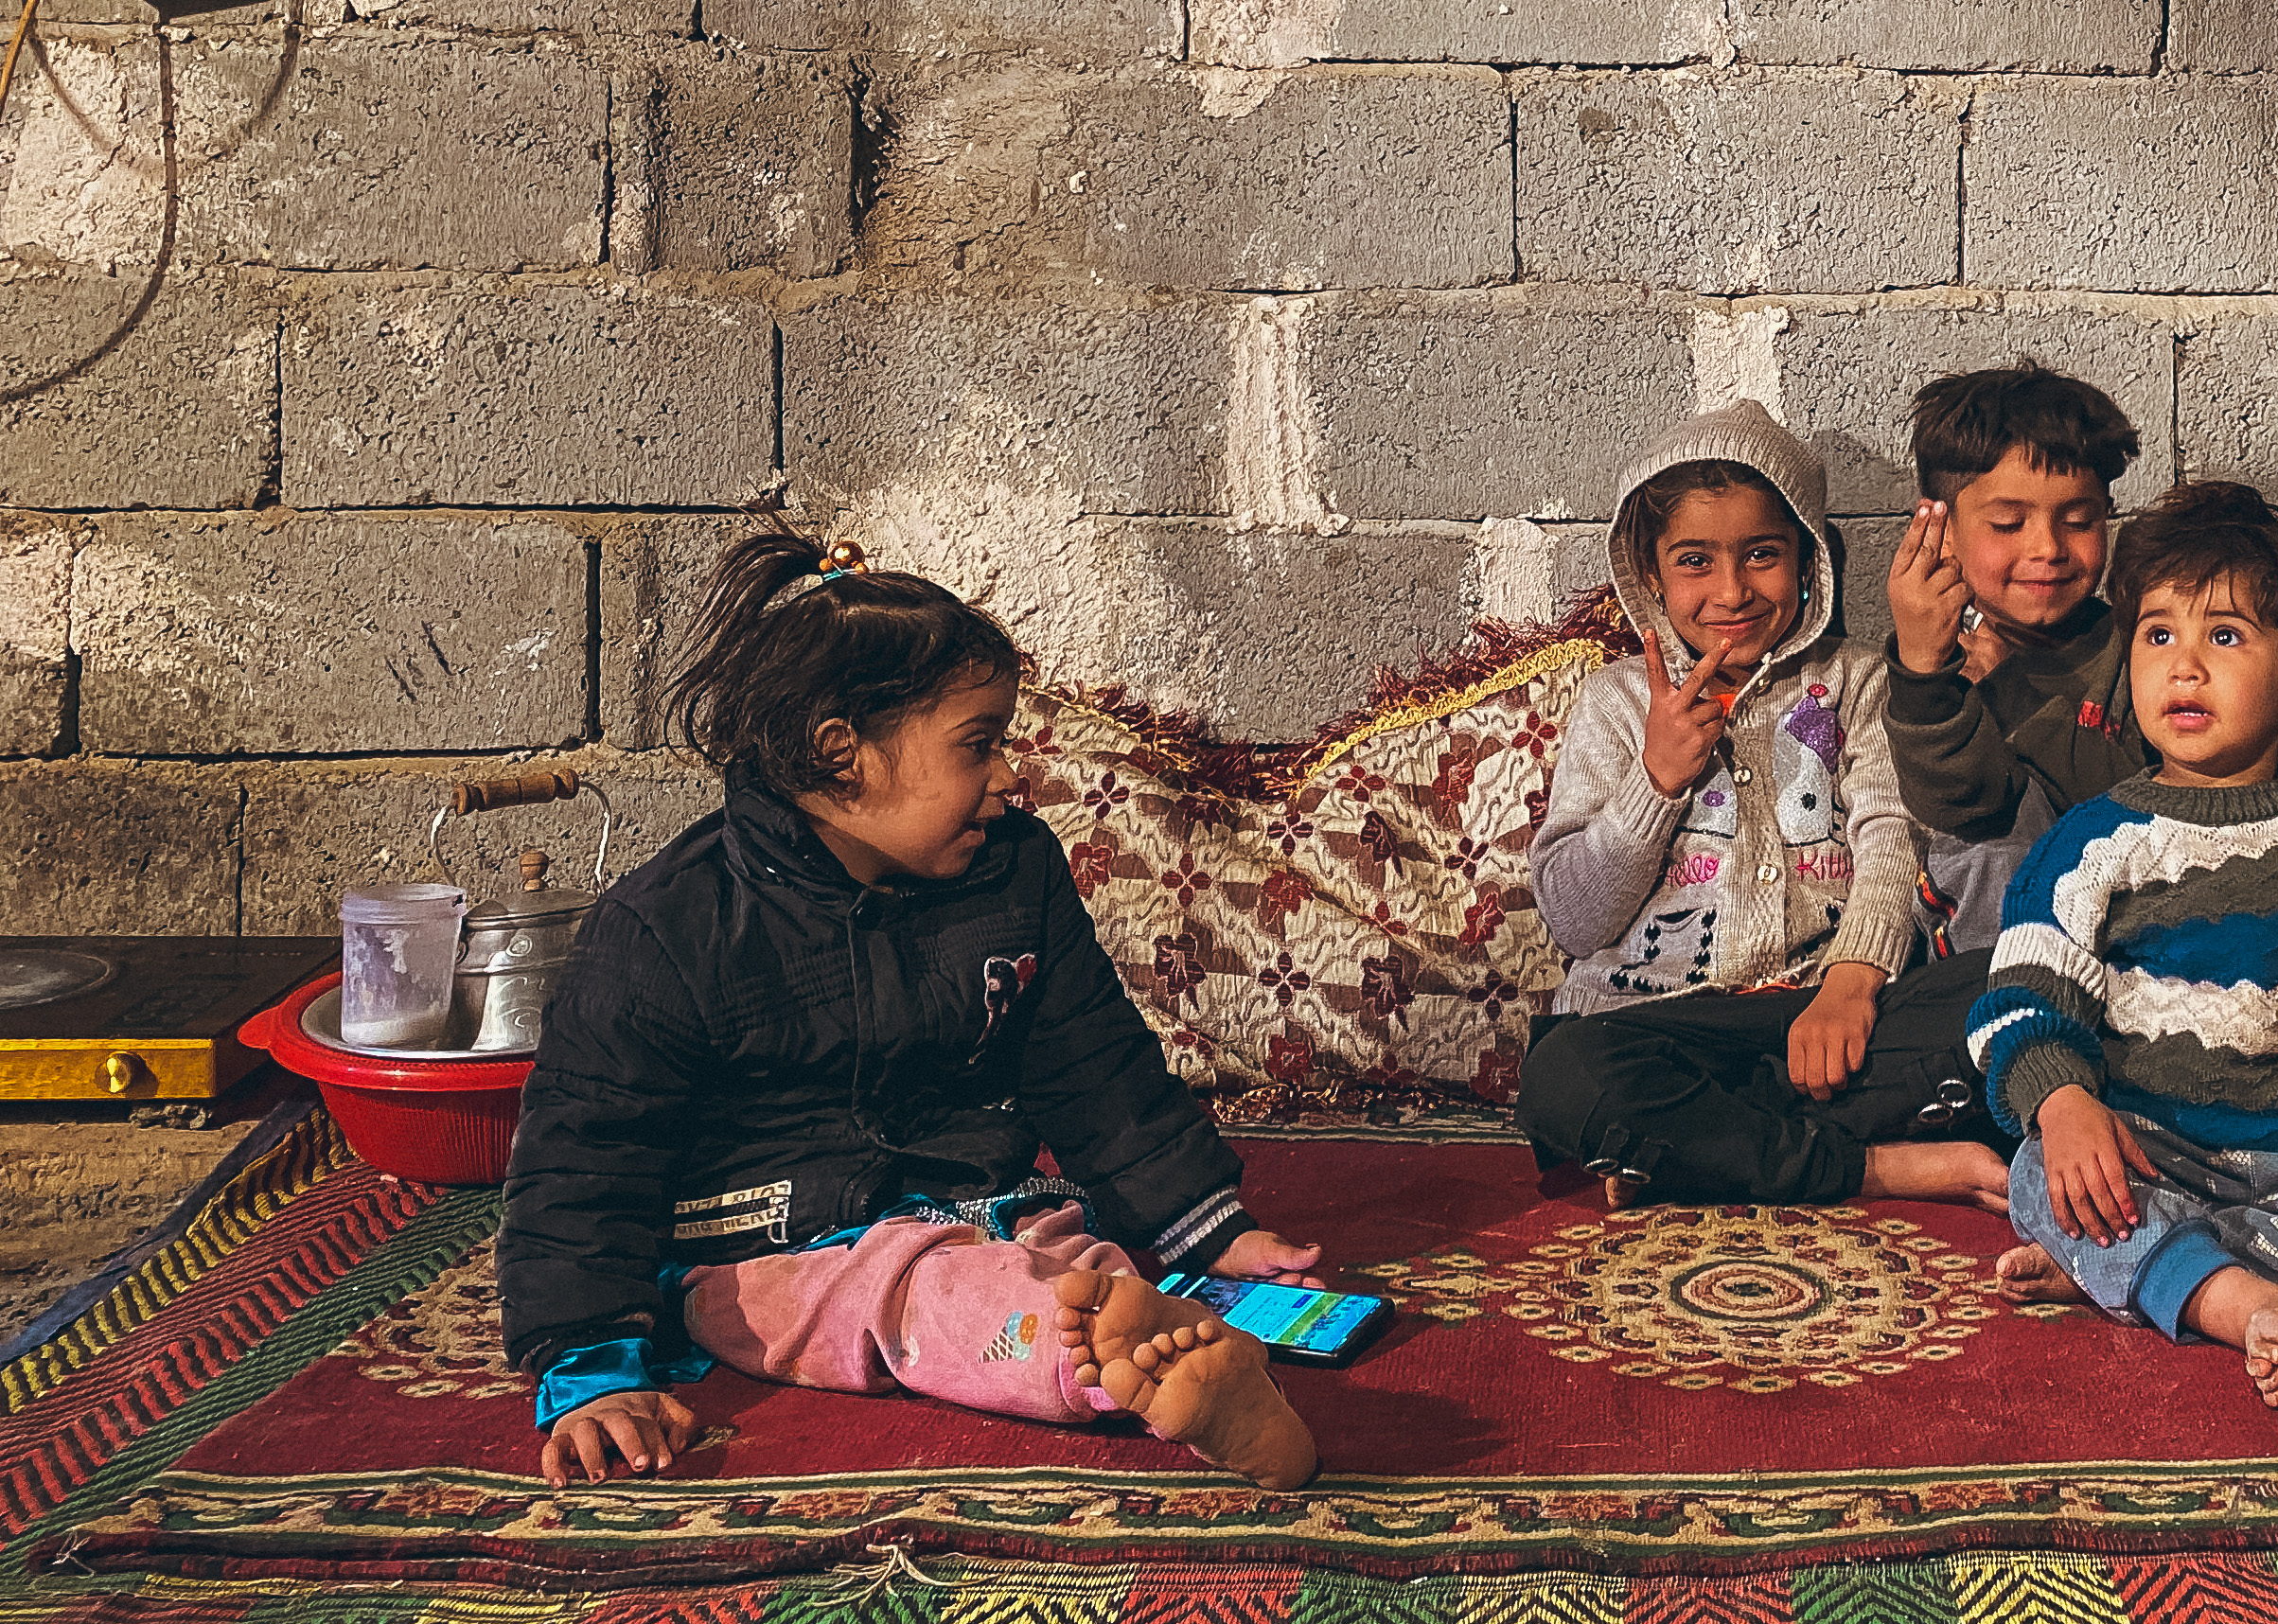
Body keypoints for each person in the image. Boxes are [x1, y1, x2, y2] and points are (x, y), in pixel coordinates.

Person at [499, 530, 1320, 1493]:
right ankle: (1122, 1378)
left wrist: (1211, 1231)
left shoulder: (1015, 872)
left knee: (1070, 1262)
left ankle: (1165, 1344)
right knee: (934, 1297)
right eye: (980, 746)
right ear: (841, 753)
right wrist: (592, 1367)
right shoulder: (667, 929)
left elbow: (1096, 1071)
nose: (1012, 778)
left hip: (993, 1207)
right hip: (773, 1258)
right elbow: (583, 1160)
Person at [1969, 483, 2278, 1409]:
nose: (2183, 667)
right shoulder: (2095, 841)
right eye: (2158, 636)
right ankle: (2226, 1293)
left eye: (2224, 637)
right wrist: (2065, 1101)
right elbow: (2026, 993)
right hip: (2162, 1149)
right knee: (2044, 1173)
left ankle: (2167, 1277)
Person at [1516, 400, 2012, 1208]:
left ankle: (1690, 1151)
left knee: (2016, 986)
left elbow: (1891, 837)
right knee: (1562, 1076)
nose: (1732, 591)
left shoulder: (1859, 680)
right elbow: (1574, 921)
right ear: (1649, 575)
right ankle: (1875, 1166)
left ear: (1808, 560)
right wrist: (1657, 782)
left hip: (1836, 1015)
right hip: (1664, 1029)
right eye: (1693, 562)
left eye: (1761, 555)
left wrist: (1849, 988)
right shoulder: (1614, 702)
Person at [1882, 364, 2152, 948]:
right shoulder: (1935, 662)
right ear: (1942, 528)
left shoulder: (2139, 647)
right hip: (1992, 954)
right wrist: (1923, 668)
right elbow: (1962, 802)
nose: (2048, 548)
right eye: (2008, 523)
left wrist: (2013, 691)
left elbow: (2146, 805)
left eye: (2079, 521)